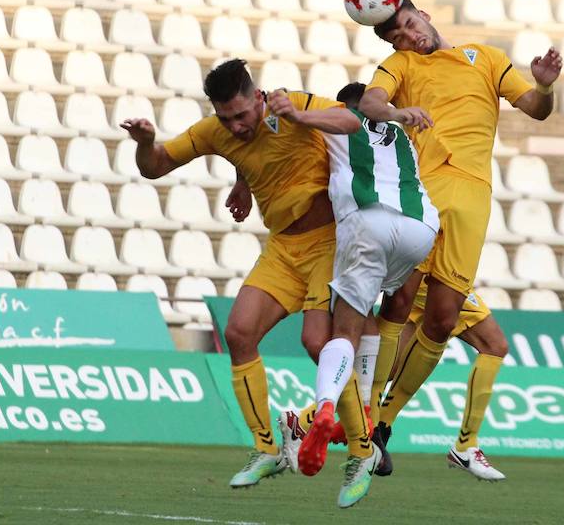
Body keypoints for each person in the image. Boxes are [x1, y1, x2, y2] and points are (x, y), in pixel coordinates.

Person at [120, 59, 374, 503]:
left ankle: (362, 451)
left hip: (328, 243)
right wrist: (146, 143)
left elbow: (351, 120)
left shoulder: (288, 105)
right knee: (238, 333)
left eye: (242, 115)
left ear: (258, 99)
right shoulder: (215, 132)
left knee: (318, 344)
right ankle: (266, 448)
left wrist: (299, 116)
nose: (236, 127)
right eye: (226, 119)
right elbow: (154, 167)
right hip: (283, 249)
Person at [357, 0, 562, 480]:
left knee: (442, 320)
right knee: (400, 302)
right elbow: (369, 102)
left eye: (409, 25)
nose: (409, 37)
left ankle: (382, 425)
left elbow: (535, 109)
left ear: (423, 12)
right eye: (397, 36)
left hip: (473, 201)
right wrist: (398, 112)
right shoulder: (401, 64)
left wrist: (544, 86)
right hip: (424, 193)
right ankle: (364, 420)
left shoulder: (486, 58)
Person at [268, 83, 437, 495]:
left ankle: (322, 408)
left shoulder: (343, 120)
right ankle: (358, 412)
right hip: (421, 230)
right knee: (370, 320)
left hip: (367, 224)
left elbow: (324, 122)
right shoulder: (403, 135)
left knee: (344, 331)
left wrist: (296, 115)